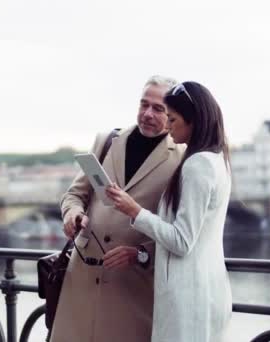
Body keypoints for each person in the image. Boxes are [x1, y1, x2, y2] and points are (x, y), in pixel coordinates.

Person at [50, 76, 186, 342]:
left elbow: (181, 231)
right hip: (82, 279)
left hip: (133, 288)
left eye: (157, 109)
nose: (147, 114)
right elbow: (74, 194)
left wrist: (141, 254)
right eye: (143, 104)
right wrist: (72, 214)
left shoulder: (182, 158)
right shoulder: (107, 141)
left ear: (172, 114)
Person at [105, 81, 233, 342]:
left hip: (188, 297)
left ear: (193, 120)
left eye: (172, 119)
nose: (168, 125)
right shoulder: (216, 160)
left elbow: (182, 241)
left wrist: (135, 210)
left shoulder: (197, 166)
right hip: (205, 289)